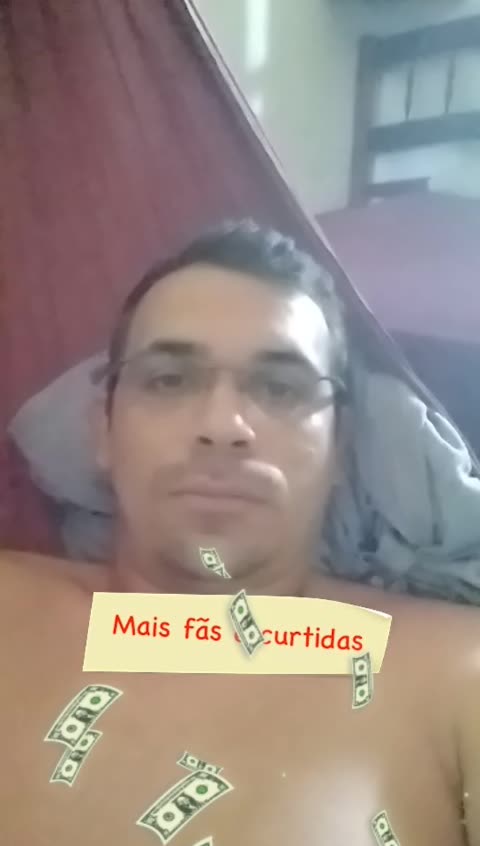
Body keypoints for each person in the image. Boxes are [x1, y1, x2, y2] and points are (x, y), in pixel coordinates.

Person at [1, 220, 479, 846]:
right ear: (103, 431)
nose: (223, 425)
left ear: (339, 449)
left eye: (280, 387)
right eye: (169, 379)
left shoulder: (457, 673)